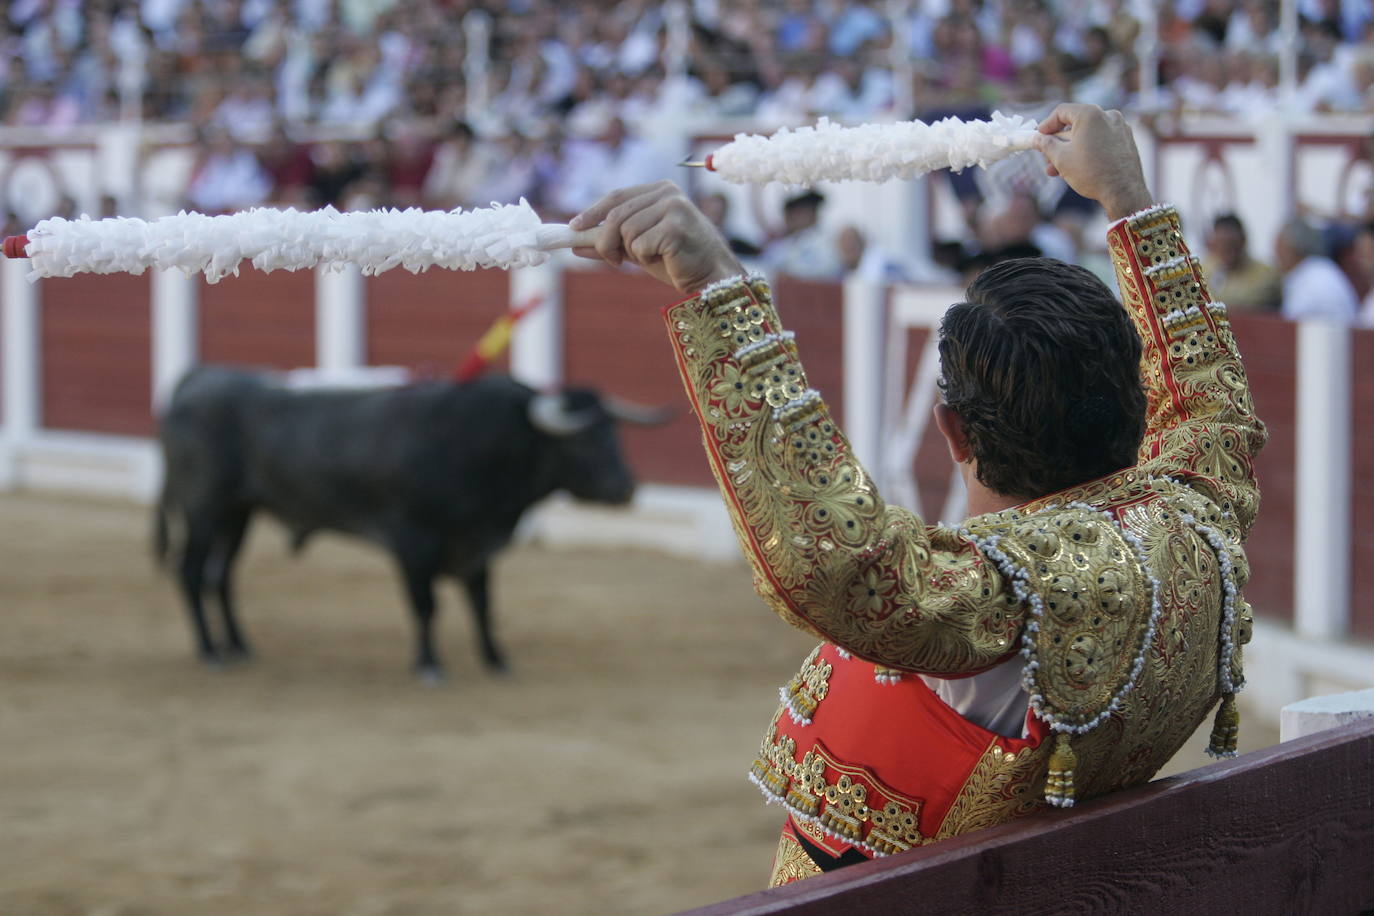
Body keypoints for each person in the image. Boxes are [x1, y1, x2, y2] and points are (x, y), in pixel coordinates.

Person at [569, 104, 1263, 884]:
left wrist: (718, 290)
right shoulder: (1199, 512)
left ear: (952, 431)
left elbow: (843, 567)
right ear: (1142, 398)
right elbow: (1210, 396)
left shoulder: (996, 601)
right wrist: (1127, 194)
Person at [1274, 218, 1360, 323]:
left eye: (1279, 249)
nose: (1276, 257)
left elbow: (1291, 323)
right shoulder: (1321, 268)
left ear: (1292, 249)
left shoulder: (1312, 278)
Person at [1203, 213, 1282, 312]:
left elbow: (1249, 303)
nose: (1226, 250)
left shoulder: (1266, 274)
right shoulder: (1204, 271)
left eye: (1231, 244)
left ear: (1243, 240)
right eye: (1221, 244)